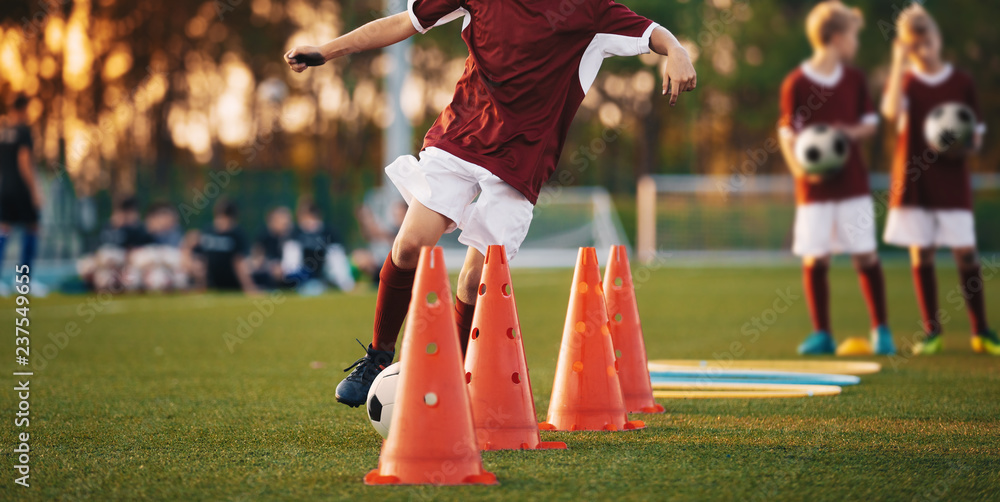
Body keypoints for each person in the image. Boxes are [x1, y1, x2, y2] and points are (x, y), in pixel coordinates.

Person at [285, 0, 697, 406]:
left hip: (521, 162)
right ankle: (377, 357)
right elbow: (403, 23)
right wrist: (325, 50)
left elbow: (651, 33)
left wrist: (677, 51)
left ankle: (450, 379)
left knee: (473, 280)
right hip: (460, 138)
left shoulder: (590, 9)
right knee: (409, 245)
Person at [777, 1, 894, 356]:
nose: (856, 44)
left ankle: (882, 330)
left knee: (865, 256)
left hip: (852, 185)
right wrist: (800, 169)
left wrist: (848, 131)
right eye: (854, 36)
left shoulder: (855, 79)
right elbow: (786, 133)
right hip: (813, 191)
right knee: (816, 257)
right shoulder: (796, 83)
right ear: (836, 37)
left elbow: (871, 124)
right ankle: (822, 333)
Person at [881, 4, 996, 355]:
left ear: (936, 37)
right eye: (914, 45)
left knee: (965, 251)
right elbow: (888, 112)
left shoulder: (961, 82)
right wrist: (899, 62)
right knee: (923, 254)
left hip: (952, 179)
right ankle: (932, 331)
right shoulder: (907, 83)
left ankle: (981, 330)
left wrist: (963, 147)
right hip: (915, 179)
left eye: (926, 40)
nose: (923, 49)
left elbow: (975, 134)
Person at [0, 94, 41, 296]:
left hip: (5, 188)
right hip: (21, 189)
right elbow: (24, 162)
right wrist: (35, 191)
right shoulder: (24, 132)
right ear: (24, 109)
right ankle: (24, 281)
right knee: (32, 228)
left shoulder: (3, 131)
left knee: (4, 230)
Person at [190, 200, 258, 294]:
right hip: (211, 285)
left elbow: (239, 263)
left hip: (232, 285)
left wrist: (249, 288)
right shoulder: (208, 231)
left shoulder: (236, 234)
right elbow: (201, 260)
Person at [251, 206, 293, 289]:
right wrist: (270, 267)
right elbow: (256, 260)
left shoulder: (291, 237)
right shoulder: (263, 236)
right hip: (268, 273)